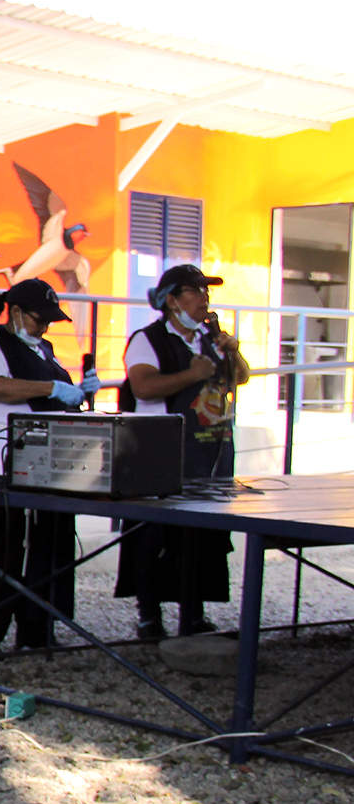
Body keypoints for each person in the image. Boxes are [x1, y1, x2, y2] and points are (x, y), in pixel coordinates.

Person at [115, 264, 251, 640]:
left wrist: (232, 350)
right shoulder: (148, 339)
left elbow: (239, 376)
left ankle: (194, 613)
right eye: (194, 291)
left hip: (210, 451)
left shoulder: (209, 337)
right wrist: (192, 375)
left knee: (204, 536)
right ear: (171, 300)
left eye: (206, 292)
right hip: (163, 451)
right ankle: (149, 616)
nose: (204, 299)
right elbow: (143, 386)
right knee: (155, 536)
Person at [0, 279, 93, 652]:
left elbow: (56, 391)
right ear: (15, 312)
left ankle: (37, 629)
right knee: (0, 547)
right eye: (38, 320)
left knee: (51, 543)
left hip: (49, 457)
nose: (44, 328)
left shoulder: (43, 349)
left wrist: (78, 391)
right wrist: (50, 389)